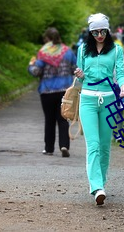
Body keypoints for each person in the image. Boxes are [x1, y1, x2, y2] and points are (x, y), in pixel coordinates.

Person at [74, 13, 124, 205]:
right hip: (87, 100)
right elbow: (80, 78)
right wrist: (79, 74)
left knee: (105, 146)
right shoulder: (82, 50)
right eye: (95, 32)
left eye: (103, 31)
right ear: (90, 32)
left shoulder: (116, 50)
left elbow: (120, 72)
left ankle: (101, 184)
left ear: (108, 30)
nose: (99, 35)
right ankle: (96, 187)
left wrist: (122, 86)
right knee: (93, 145)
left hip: (109, 100)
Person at [28, 27, 77, 157]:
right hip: (64, 91)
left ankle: (49, 148)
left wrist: (31, 65)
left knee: (49, 120)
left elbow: (36, 72)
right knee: (63, 119)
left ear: (47, 39)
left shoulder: (43, 53)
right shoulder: (68, 52)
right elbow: (75, 69)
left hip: (47, 91)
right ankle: (64, 145)